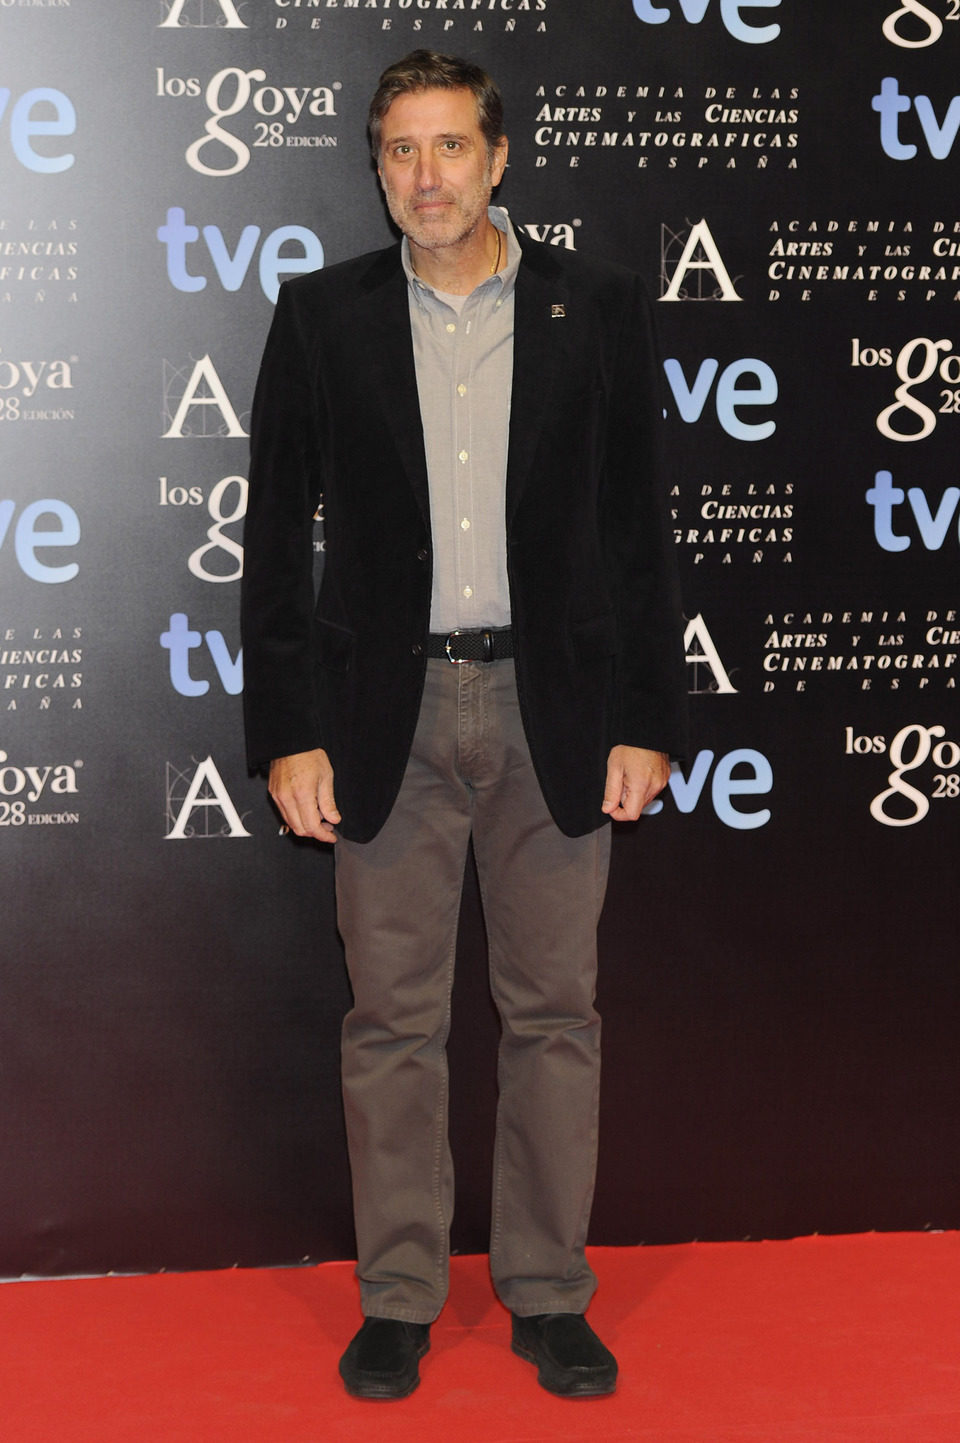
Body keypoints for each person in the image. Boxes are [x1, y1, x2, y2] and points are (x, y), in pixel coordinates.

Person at [241, 49, 688, 1401]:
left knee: (555, 1014)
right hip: (388, 715)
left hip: (555, 709)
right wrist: (288, 731)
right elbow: (274, 547)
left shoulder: (594, 308)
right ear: (376, 170)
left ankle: (550, 1291)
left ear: (500, 159)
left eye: (450, 147)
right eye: (400, 151)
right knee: (392, 1022)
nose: (425, 176)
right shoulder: (321, 318)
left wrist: (646, 718)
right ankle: (400, 1297)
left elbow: (637, 530)